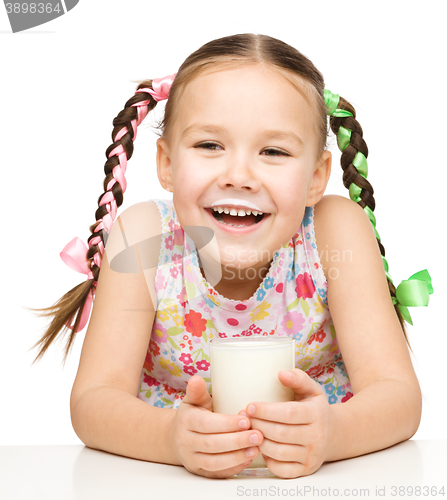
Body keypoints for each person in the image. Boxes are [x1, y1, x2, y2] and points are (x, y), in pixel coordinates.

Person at [29, 33, 433, 479]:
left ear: (317, 177)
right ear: (166, 162)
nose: (239, 176)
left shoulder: (334, 229)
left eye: (273, 151)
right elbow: (93, 403)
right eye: (209, 145)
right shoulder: (143, 239)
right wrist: (170, 438)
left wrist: (334, 433)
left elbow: (398, 397)